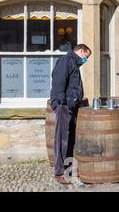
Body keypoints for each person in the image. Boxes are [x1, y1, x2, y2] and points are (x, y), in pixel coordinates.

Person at [49, 44, 92, 184]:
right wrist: (62, 103)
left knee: (69, 140)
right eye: (86, 56)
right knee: (61, 140)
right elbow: (58, 82)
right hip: (64, 106)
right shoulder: (65, 61)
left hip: (71, 106)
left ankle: (67, 169)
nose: (86, 60)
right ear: (80, 51)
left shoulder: (73, 63)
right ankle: (59, 172)